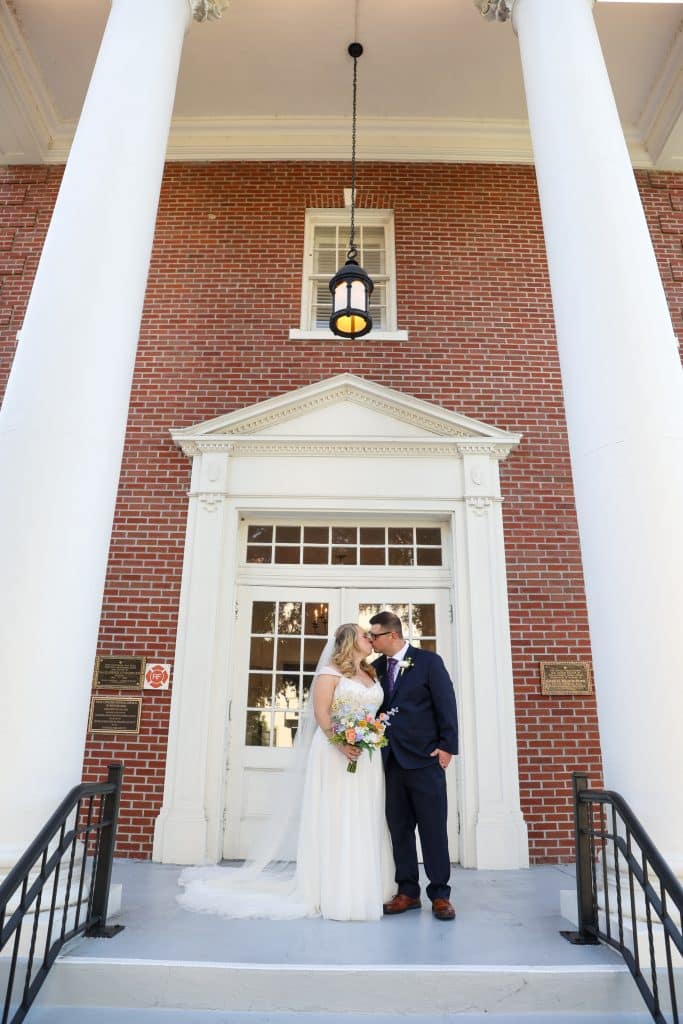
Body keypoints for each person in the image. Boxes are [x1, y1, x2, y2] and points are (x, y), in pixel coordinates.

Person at [177, 623, 394, 921]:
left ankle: (365, 885)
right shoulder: (330, 673)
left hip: (366, 756)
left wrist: (370, 733)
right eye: (363, 634)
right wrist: (342, 744)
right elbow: (322, 714)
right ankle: (333, 889)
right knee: (337, 814)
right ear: (349, 642)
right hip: (334, 752)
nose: (369, 638)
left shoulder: (370, 673)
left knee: (363, 815)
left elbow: (371, 713)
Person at [368, 611, 459, 922]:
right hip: (390, 761)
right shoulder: (376, 669)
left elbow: (446, 703)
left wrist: (447, 746)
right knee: (399, 828)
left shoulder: (429, 662)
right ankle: (407, 892)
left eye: (375, 635)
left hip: (425, 759)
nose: (371, 640)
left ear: (393, 635)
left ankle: (441, 895)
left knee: (433, 828)